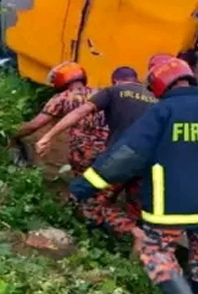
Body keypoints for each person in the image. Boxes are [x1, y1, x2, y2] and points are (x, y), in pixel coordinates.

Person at [67, 58, 198, 294]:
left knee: (156, 253)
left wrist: (84, 186)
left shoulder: (160, 113)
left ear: (159, 85)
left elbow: (127, 155)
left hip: (170, 207)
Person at [34, 66, 157, 238]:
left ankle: (133, 234)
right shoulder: (155, 100)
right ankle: (135, 248)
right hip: (149, 164)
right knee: (136, 208)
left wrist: (49, 136)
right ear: (136, 80)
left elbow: (81, 111)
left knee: (93, 204)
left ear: (115, 80)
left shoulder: (113, 91)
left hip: (120, 160)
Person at [11, 61, 108, 179]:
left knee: (85, 184)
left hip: (84, 152)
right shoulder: (102, 93)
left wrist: (12, 133)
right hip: (109, 149)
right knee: (104, 185)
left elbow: (35, 125)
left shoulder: (62, 98)